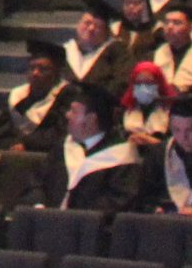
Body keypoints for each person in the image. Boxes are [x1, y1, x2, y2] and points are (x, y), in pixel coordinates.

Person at [40, 84, 145, 212]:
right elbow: (36, 184)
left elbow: (119, 201)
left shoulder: (122, 157)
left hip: (91, 228)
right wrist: (39, 206)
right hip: (46, 223)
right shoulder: (61, 147)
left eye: (73, 111)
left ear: (91, 119)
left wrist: (76, 219)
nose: (67, 115)